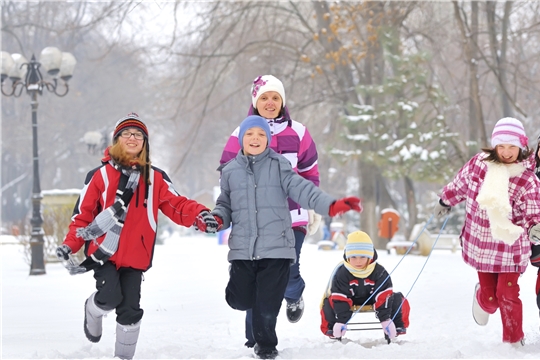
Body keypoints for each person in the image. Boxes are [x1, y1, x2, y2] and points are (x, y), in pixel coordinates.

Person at [55, 112, 219, 360]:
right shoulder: (99, 176)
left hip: (136, 257)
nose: (133, 138)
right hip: (104, 253)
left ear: (145, 143)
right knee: (110, 297)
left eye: (139, 134)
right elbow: (83, 217)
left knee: (130, 310)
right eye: (127, 133)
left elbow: (177, 205)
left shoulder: (156, 178)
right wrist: (70, 245)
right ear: (117, 139)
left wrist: (201, 215)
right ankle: (93, 308)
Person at [212, 115, 362, 359]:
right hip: (243, 249)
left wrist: (331, 206)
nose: (255, 139)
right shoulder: (230, 171)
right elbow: (224, 204)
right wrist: (218, 218)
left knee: (266, 305)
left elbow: (303, 189)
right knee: (240, 299)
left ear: (268, 140)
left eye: (261, 135)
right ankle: (250, 308)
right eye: (250, 134)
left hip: (277, 248)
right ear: (241, 139)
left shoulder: (279, 165)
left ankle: (266, 348)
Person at [219, 74, 321, 346]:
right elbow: (227, 173)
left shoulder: (298, 132)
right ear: (255, 101)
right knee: (256, 276)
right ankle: (256, 338)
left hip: (291, 216)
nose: (270, 102)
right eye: (264, 97)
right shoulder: (240, 133)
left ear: (282, 101)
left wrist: (312, 207)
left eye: (275, 97)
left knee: (287, 271)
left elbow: (309, 170)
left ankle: (294, 292)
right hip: (254, 220)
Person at [433, 117, 540, 346]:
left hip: (511, 248)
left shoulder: (527, 179)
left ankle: (513, 341)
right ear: (494, 146)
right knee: (491, 300)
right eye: (502, 146)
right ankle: (482, 296)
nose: (507, 152)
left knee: (507, 292)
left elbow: (533, 212)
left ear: (521, 146)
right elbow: (459, 184)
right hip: (483, 244)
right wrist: (445, 201)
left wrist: (535, 227)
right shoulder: (479, 164)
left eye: (512, 146)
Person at [320, 230, 410, 342]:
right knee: (328, 301)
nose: (358, 261)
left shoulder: (379, 272)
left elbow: (384, 295)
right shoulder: (342, 273)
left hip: (374, 300)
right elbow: (340, 296)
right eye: (353, 257)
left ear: (370, 256)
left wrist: (385, 319)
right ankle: (332, 328)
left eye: (362, 257)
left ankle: (396, 326)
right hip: (349, 300)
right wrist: (341, 321)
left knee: (398, 298)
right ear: (348, 257)